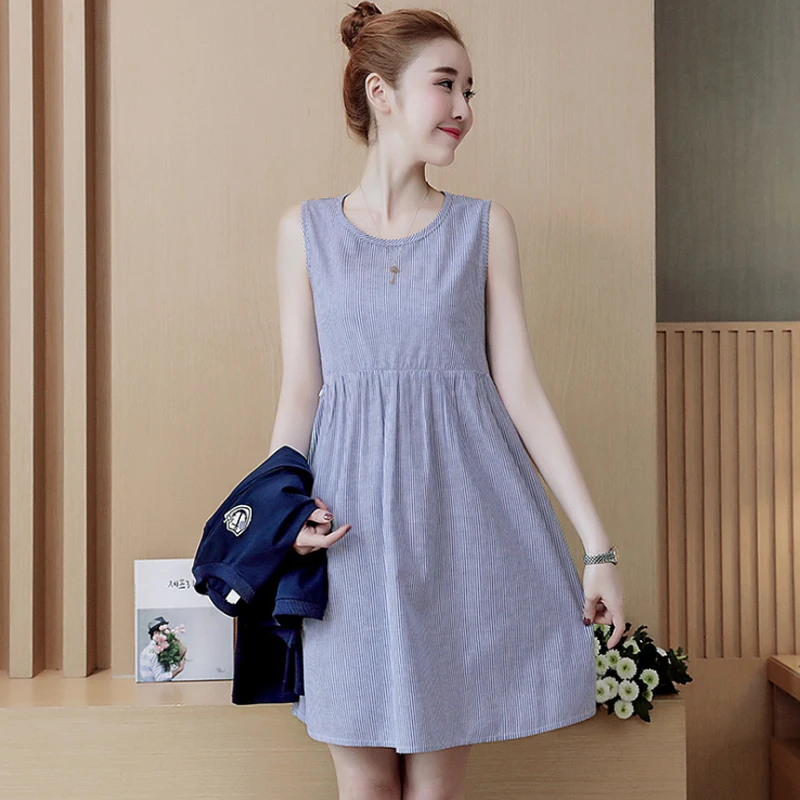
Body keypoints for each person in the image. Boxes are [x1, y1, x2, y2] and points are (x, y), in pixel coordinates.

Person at [271, 3, 626, 797]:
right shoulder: (305, 232)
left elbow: (521, 390)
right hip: (348, 534)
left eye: (470, 90)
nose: (464, 107)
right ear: (381, 93)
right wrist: (280, 510)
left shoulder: (483, 229)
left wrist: (598, 547)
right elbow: (300, 388)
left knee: (435, 792)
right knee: (366, 786)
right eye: (446, 85)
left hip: (463, 528)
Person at [138, 616, 186, 682]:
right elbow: (160, 679)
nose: (168, 634)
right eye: (165, 631)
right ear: (156, 633)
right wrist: (179, 669)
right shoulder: (157, 652)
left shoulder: (145, 651)